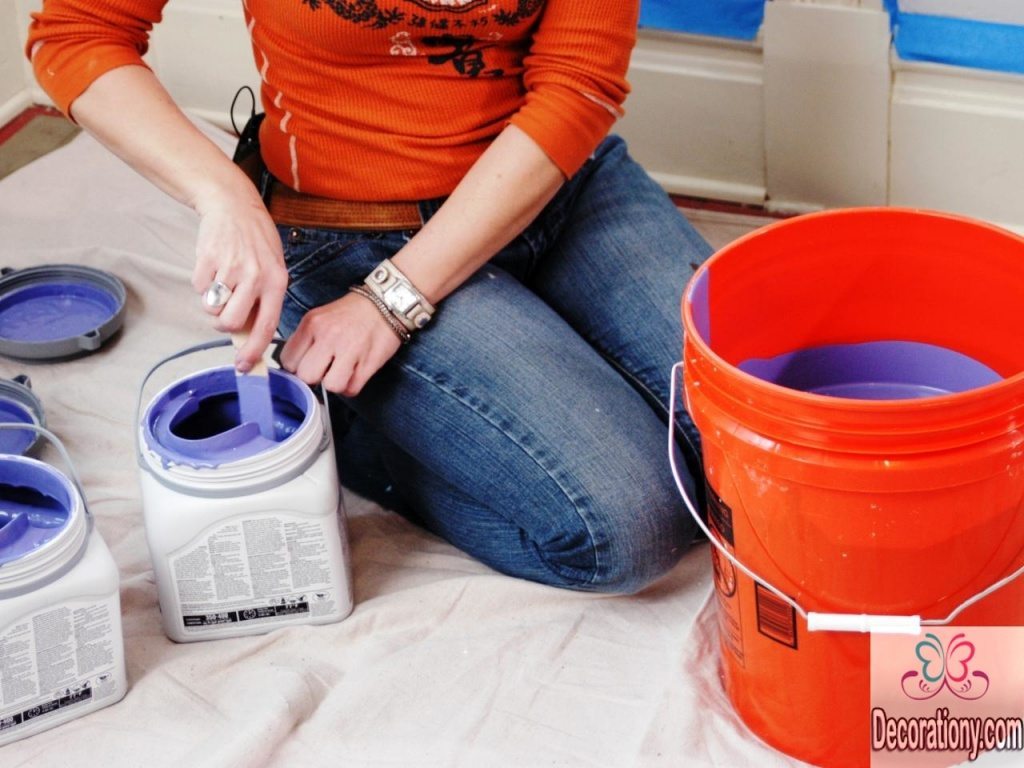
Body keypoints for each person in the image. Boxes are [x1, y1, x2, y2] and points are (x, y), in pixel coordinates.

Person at [27, 0, 711, 593]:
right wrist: (224, 194)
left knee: (741, 450)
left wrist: (397, 301)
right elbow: (78, 33)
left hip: (561, 186)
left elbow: (578, 84)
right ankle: (359, 428)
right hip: (355, 232)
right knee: (632, 530)